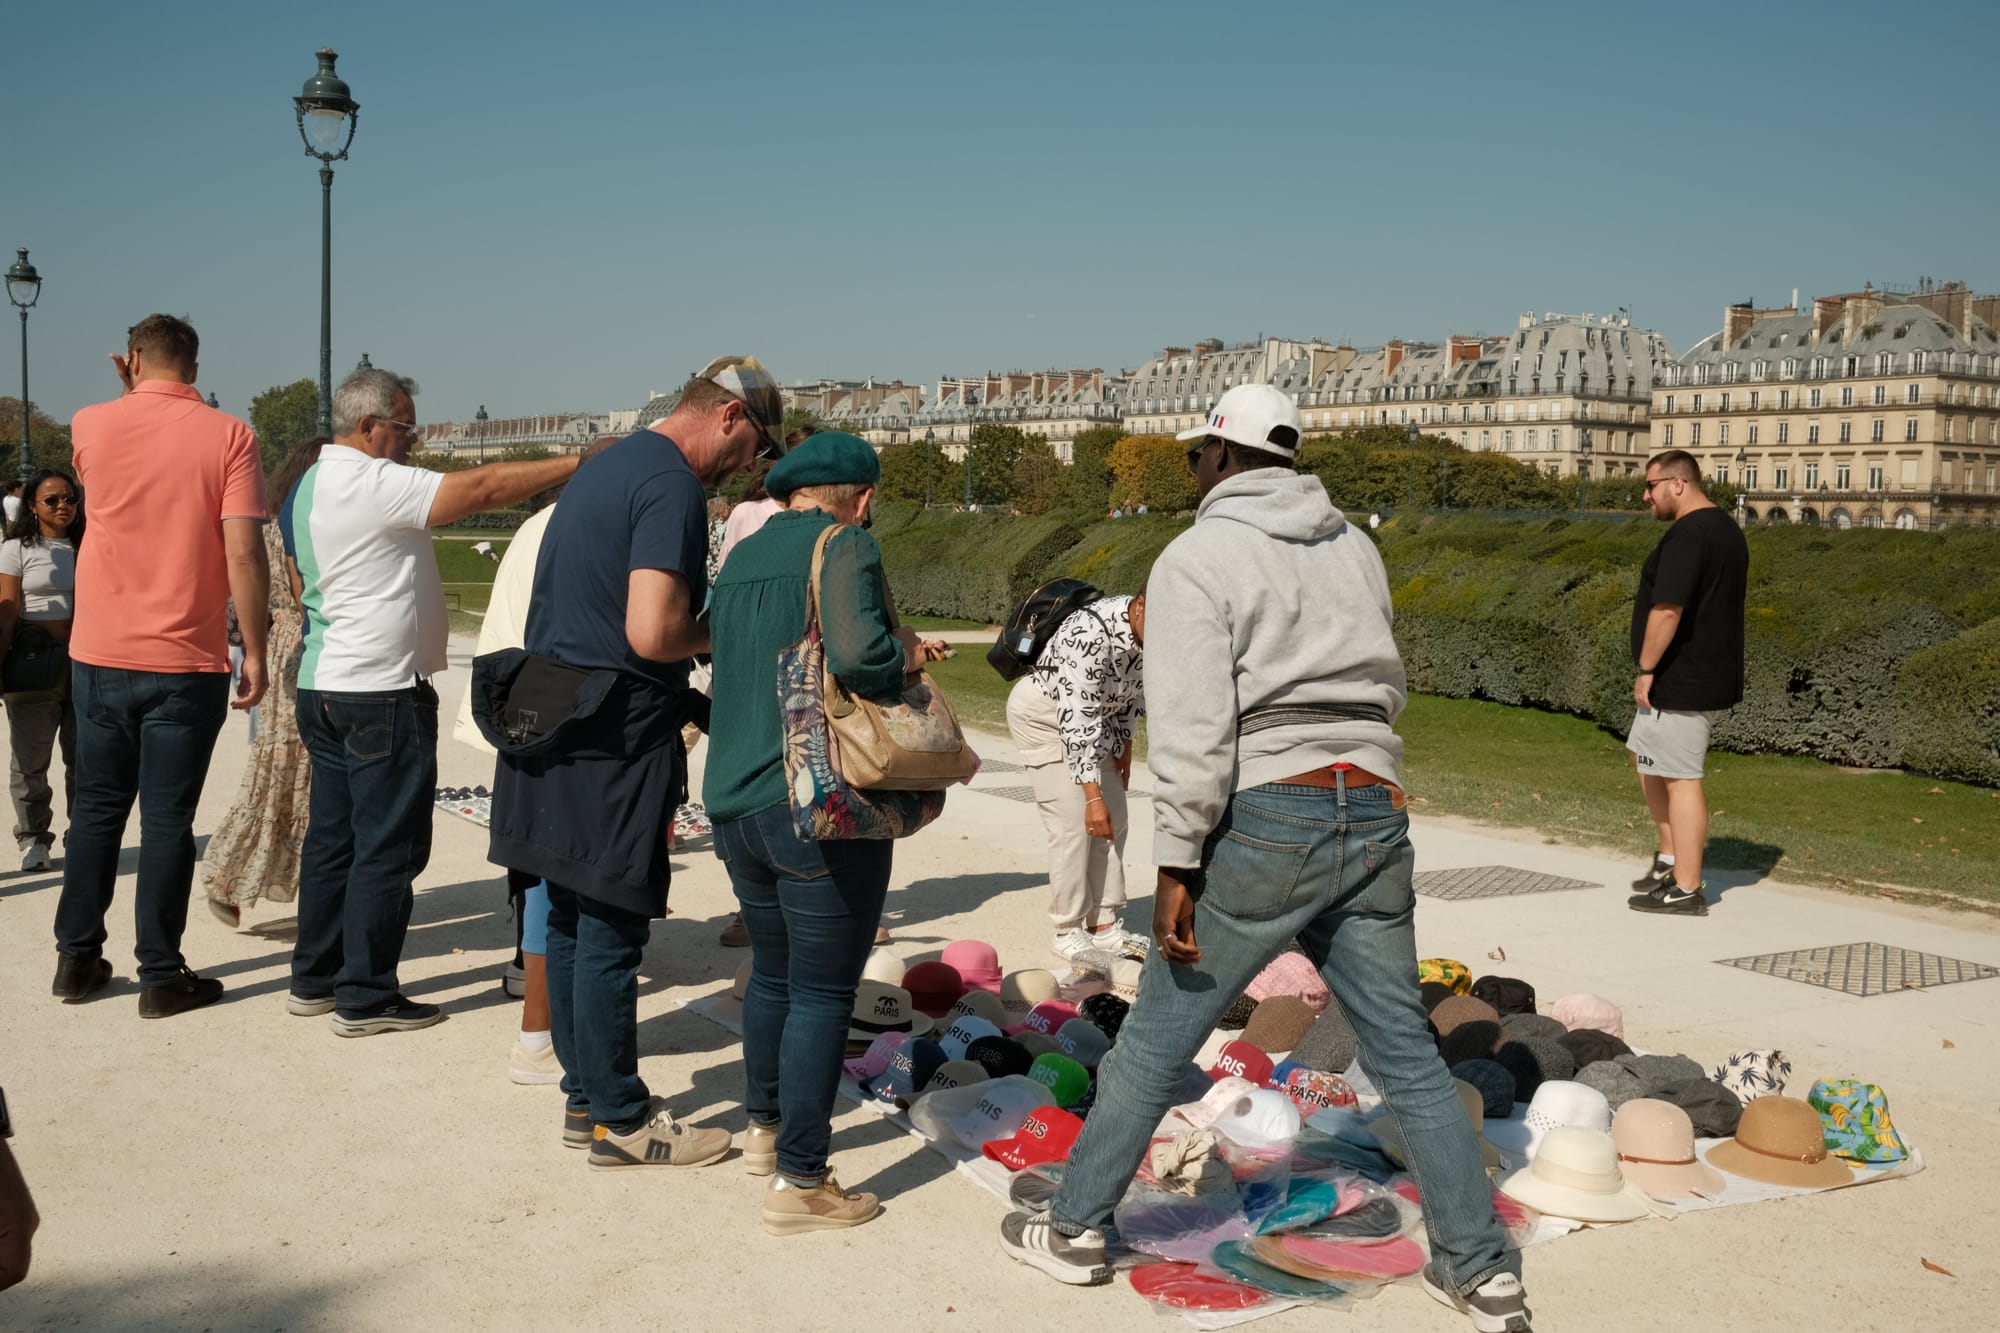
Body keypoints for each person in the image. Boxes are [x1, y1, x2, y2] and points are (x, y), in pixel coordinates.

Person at [998, 384, 1531, 1332]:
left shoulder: (1198, 555)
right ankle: (1482, 1269)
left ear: (1221, 456)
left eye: (1195, 453)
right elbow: (1387, 687)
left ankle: (1075, 1227)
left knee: (1156, 1037)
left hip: (1269, 809)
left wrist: (1176, 864)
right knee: (1407, 1055)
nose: (1191, 467)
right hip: (1373, 802)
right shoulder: (1354, 545)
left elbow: (1195, 730)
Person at [484, 355, 781, 1169]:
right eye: (755, 446)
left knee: (569, 918)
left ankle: (585, 1098)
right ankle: (621, 1117)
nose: (748, 466)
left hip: (556, 715)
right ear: (728, 415)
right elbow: (653, 631)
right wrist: (725, 628)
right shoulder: (670, 482)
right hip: (616, 734)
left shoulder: (606, 466)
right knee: (611, 926)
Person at [282, 367, 583, 1037]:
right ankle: (366, 994)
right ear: (369, 427)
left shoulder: (316, 480)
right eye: (405, 429)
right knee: (389, 846)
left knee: (333, 838)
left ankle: (316, 976)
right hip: (379, 688)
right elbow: (482, 487)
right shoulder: (370, 480)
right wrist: (579, 461)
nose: (412, 442)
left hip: (326, 680)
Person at [706, 431, 938, 1235]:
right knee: (823, 992)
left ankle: (764, 1131)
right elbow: (861, 654)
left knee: (773, 976)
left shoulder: (743, 551)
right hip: (814, 801)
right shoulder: (845, 544)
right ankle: (803, 1179)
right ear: (861, 498)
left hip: (733, 798)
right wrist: (908, 649)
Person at [51, 314, 268, 1018]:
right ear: (196, 371)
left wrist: (130, 392)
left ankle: (76, 959)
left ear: (133, 359)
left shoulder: (90, 423)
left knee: (96, 809)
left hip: (99, 651)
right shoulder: (230, 435)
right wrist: (256, 648)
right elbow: (243, 552)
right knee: (168, 820)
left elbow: (122, 448)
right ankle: (160, 974)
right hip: (185, 657)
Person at [450, 500, 560, 1083]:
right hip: (553, 703)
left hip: (519, 698)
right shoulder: (586, 522)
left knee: (530, 850)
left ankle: (526, 968)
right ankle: (540, 1028)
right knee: (552, 861)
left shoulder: (537, 523)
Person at [200, 438, 326, 928]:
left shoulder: (270, 528)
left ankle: (232, 876)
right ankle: (244, 877)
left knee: (276, 769)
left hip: (280, 647)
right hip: (309, 644)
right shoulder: (309, 528)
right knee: (302, 772)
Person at [1625, 448, 1749, 918]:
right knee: (1645, 757)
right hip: (1700, 672)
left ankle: (1687, 888)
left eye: (1650, 486)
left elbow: (1667, 609)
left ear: (1677, 484)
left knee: (1681, 779)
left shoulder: (1688, 535)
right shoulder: (1725, 529)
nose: (1646, 496)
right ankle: (1674, 860)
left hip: (1682, 676)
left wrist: (1647, 667)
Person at [1005, 592, 1150, 963]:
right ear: (1140, 606)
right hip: (1044, 717)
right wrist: (1092, 796)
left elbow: (1134, 691)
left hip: (1097, 721)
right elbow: (1076, 718)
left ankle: (1103, 924)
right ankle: (1068, 929)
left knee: (1114, 818)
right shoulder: (1088, 631)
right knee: (1073, 823)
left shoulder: (1156, 631)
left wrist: (1125, 744)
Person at [0, 469, 83, 872]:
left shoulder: (90, 544)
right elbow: (8, 610)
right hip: (33, 662)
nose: (62, 505)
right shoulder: (16, 548)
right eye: (51, 500)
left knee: (85, 757)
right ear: (32, 506)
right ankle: (33, 838)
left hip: (85, 660)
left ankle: (81, 835)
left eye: (69, 498)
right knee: (31, 759)